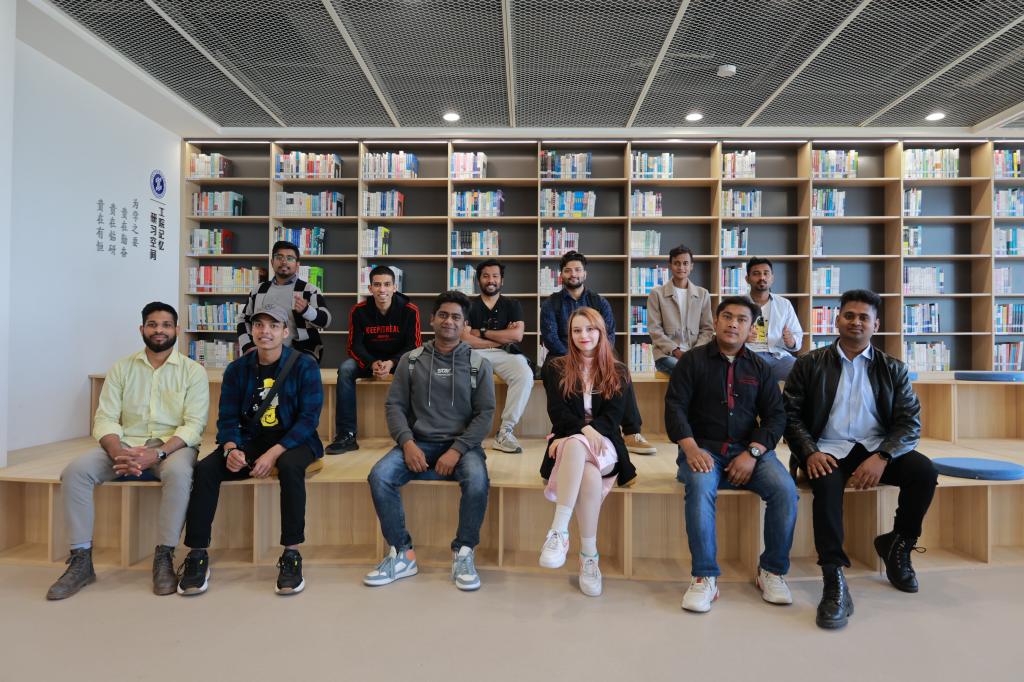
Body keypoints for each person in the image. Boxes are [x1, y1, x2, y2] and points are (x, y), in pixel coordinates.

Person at [783, 288, 938, 629]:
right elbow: (789, 416)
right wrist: (809, 452)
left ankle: (898, 543)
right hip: (826, 448)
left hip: (875, 448)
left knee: (924, 472)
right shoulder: (809, 364)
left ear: (875, 325)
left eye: (864, 317)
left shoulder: (893, 368)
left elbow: (909, 423)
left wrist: (884, 455)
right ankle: (833, 578)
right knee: (826, 487)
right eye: (849, 315)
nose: (856, 322)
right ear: (837, 320)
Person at [46, 302, 208, 600]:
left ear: (176, 330)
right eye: (152, 324)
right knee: (76, 472)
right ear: (142, 329)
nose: (159, 330)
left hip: (170, 447)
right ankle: (81, 560)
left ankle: (165, 556)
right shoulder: (122, 368)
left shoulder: (193, 371)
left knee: (180, 473)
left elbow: (193, 426)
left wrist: (156, 454)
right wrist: (118, 451)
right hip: (125, 446)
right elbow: (105, 418)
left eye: (166, 325)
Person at [177, 304, 324, 596]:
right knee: (206, 469)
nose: (265, 331)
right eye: (259, 325)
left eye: (273, 326)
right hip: (251, 438)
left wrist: (274, 453)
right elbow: (227, 418)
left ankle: (291, 554)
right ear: (252, 330)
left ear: (285, 332)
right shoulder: (237, 369)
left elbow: (309, 419)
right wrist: (231, 448)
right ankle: (197, 553)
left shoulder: (304, 365)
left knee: (291, 467)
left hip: (295, 439)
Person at [665, 296, 797, 613]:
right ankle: (704, 577)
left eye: (741, 319)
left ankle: (772, 571)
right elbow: (674, 408)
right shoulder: (692, 362)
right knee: (700, 488)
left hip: (748, 450)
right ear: (716, 321)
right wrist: (690, 448)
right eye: (727, 316)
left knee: (785, 490)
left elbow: (776, 417)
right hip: (702, 449)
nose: (733, 324)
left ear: (752, 329)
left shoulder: (760, 368)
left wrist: (753, 453)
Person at [364, 291, 495, 591]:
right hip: (418, 442)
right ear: (432, 319)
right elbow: (394, 406)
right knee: (380, 476)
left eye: (457, 317)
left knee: (477, 480)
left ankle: (464, 552)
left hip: (463, 447)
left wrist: (457, 450)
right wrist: (407, 443)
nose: (449, 321)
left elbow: (485, 415)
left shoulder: (479, 364)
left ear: (465, 325)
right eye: (443, 315)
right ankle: (402, 554)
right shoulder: (411, 361)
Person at [538, 307, 638, 597]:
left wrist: (591, 431)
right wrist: (584, 431)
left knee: (575, 445)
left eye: (590, 329)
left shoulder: (618, 370)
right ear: (569, 335)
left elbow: (614, 416)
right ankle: (589, 556)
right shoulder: (555, 367)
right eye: (577, 330)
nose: (584, 335)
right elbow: (558, 413)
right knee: (588, 473)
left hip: (605, 443)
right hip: (571, 439)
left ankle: (559, 530)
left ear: (601, 332)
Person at [540, 250, 656, 455]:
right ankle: (564, 427)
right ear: (561, 275)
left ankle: (631, 432)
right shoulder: (551, 303)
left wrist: (594, 354)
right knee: (552, 369)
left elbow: (609, 334)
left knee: (620, 369)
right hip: (563, 354)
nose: (573, 274)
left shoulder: (599, 302)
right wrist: (576, 357)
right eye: (568, 270)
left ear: (585, 273)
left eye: (577, 270)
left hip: (597, 351)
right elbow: (550, 338)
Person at [325, 264, 421, 454]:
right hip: (369, 361)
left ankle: (416, 433)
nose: (382, 289)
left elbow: (414, 346)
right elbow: (354, 346)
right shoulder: (359, 310)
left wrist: (391, 363)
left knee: (418, 369)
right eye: (377, 285)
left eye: (387, 284)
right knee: (345, 369)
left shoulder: (410, 310)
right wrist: (372, 363)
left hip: (398, 361)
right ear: (370, 288)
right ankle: (346, 434)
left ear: (395, 287)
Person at [461, 259, 535, 454]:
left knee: (524, 374)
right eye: (486, 276)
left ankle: (505, 432)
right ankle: (467, 432)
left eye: (495, 276)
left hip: (506, 354)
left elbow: (517, 336)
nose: (491, 280)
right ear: (479, 280)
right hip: (475, 353)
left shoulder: (512, 304)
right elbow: (464, 338)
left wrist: (481, 332)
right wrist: (500, 338)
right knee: (460, 373)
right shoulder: (468, 305)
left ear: (502, 280)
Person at [237, 240, 331, 363]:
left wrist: (307, 311)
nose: (284, 261)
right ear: (272, 262)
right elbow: (243, 320)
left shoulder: (309, 290)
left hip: (301, 353)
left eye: (290, 258)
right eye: (279, 257)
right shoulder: (258, 290)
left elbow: (326, 321)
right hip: (264, 351)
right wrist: (248, 346)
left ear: (297, 265)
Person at [647, 244, 714, 374]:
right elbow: (654, 330)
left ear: (691, 266)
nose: (681, 267)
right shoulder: (656, 294)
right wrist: (676, 352)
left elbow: (707, 329)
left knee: (708, 371)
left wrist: (694, 353)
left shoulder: (703, 294)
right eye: (677, 263)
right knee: (687, 371)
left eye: (685, 263)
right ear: (670, 265)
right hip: (666, 355)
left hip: (695, 354)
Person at [745, 257, 802, 383]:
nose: (762, 277)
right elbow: (726, 335)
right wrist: (743, 338)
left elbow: (797, 334)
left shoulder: (784, 304)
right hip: (749, 355)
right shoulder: (738, 304)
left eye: (766, 273)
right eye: (756, 274)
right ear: (747, 279)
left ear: (772, 278)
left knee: (803, 372)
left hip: (778, 356)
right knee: (750, 378)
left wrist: (791, 341)